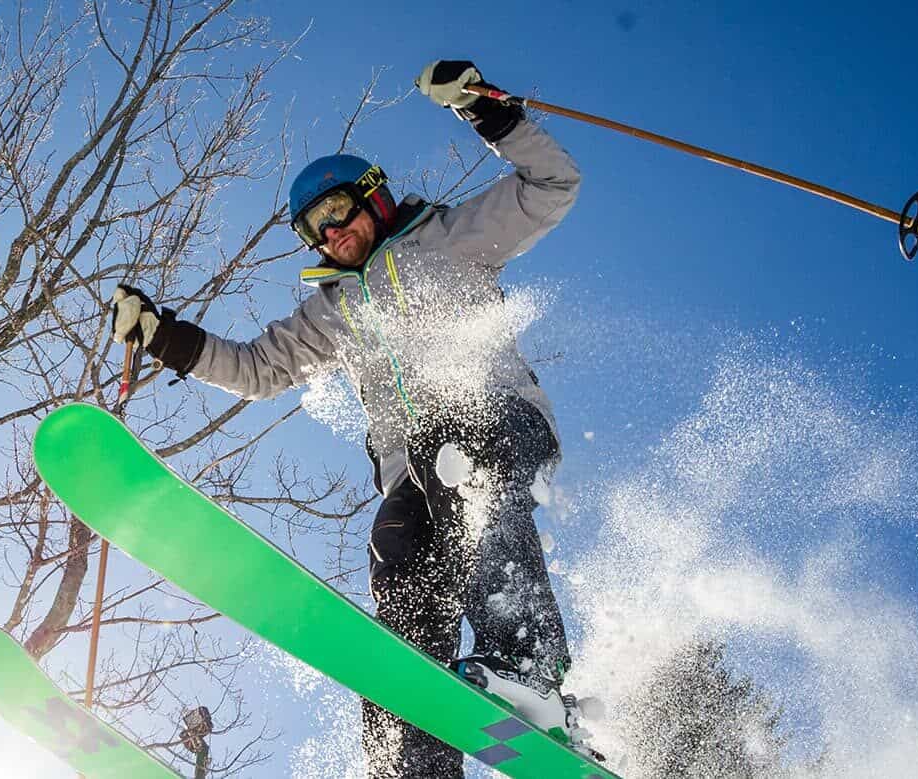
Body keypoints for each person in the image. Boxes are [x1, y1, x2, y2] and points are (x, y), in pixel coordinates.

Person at [108, 60, 586, 777]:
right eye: (312, 230)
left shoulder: (451, 238)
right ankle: (409, 758)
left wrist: (490, 114)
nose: (329, 235)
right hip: (413, 472)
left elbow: (550, 186)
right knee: (397, 565)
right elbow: (258, 370)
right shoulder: (331, 310)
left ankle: (527, 667)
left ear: (374, 197)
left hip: (496, 421)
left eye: (336, 213)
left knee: (455, 450)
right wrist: (166, 338)